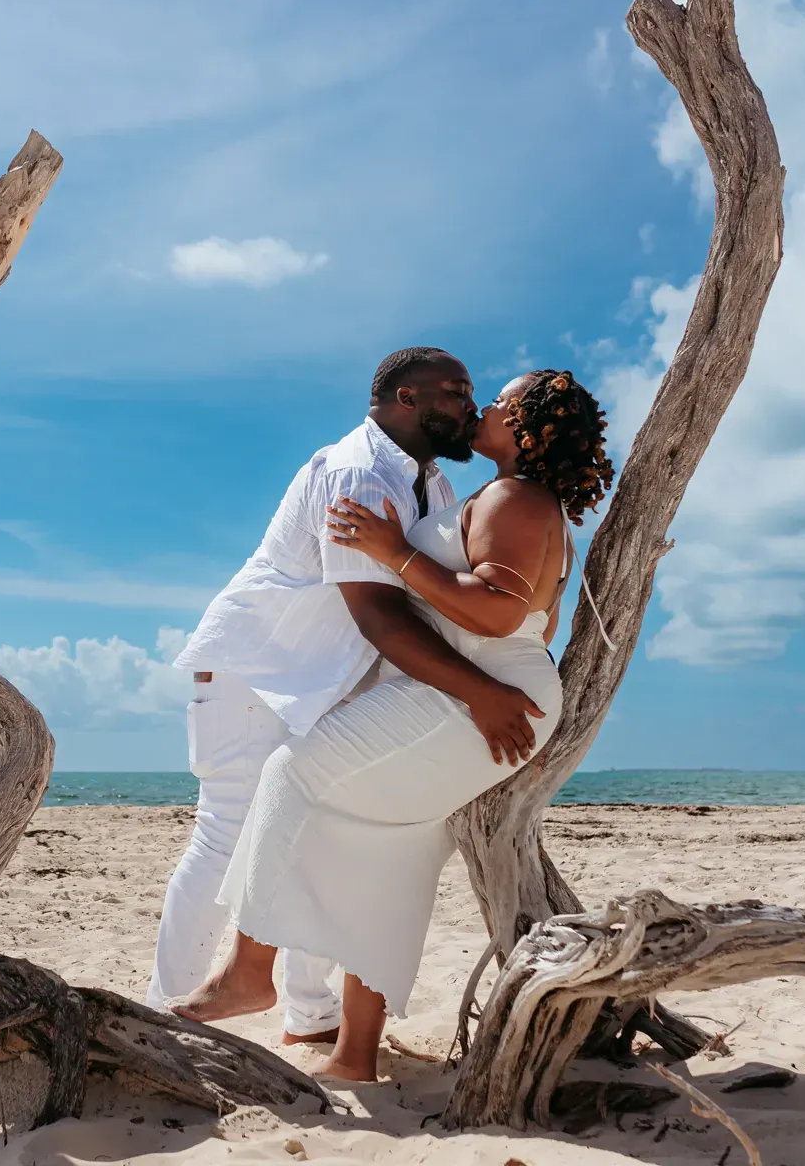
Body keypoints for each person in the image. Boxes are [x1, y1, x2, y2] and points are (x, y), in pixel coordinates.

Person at [172, 368, 615, 1082]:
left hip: (478, 690)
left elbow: (500, 612)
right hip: (482, 686)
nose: (482, 409)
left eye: (498, 403)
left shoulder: (514, 496)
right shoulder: (511, 498)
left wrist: (395, 554)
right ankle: (354, 1056)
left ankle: (249, 972)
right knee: (392, 853)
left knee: (293, 772)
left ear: (527, 428)